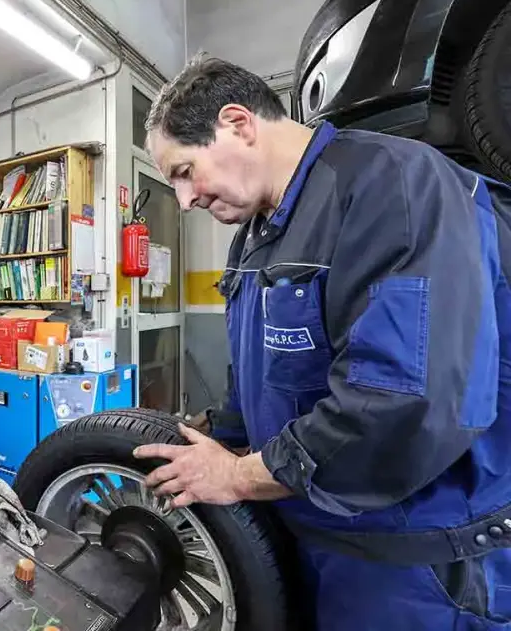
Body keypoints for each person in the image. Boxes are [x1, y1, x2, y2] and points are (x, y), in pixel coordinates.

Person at [134, 55, 511, 630]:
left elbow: (403, 403)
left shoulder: (392, 184)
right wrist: (215, 434)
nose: (184, 202)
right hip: (316, 542)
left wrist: (237, 476)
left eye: (185, 172)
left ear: (239, 124)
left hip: (417, 571)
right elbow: (265, 378)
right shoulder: (255, 239)